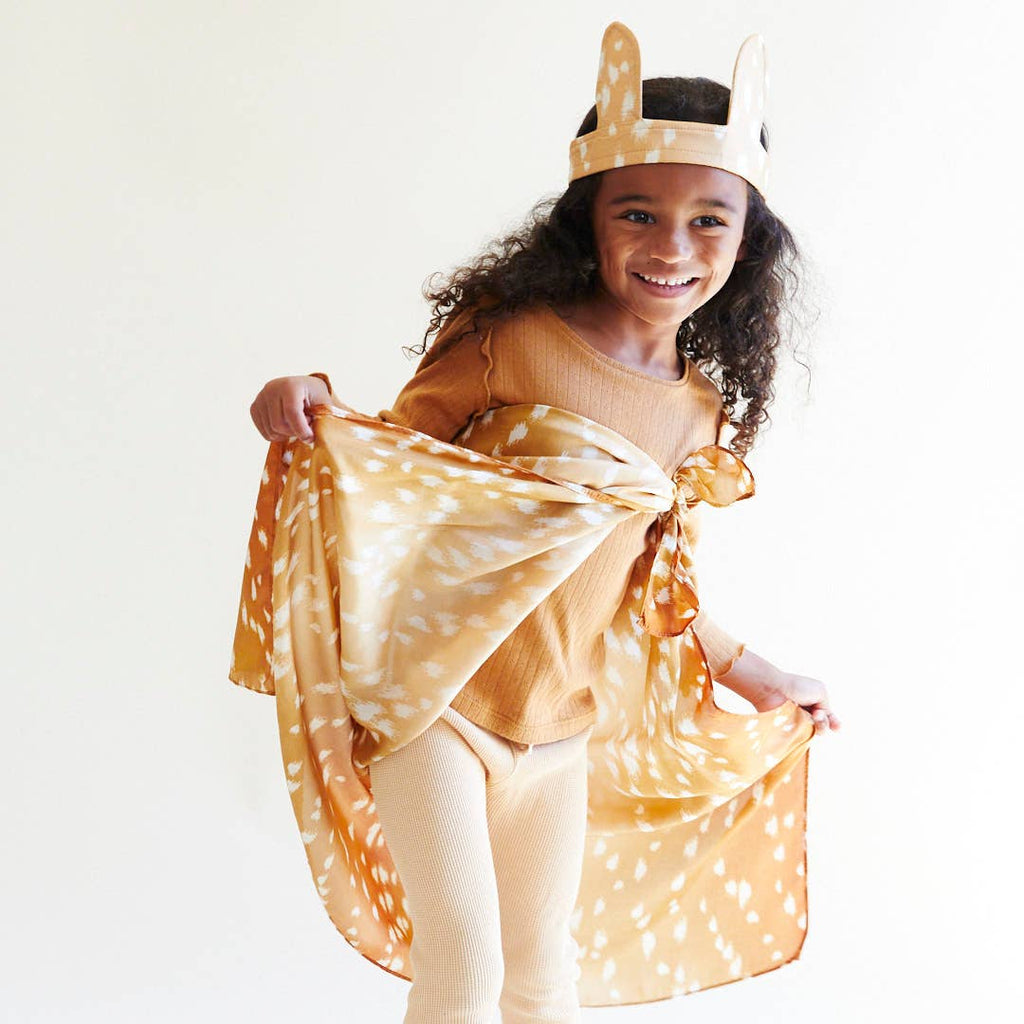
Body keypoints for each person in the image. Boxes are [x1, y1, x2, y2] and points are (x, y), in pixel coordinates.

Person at [242, 21, 838, 1023]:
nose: (670, 247)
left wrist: (757, 674)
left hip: (559, 729)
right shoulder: (508, 340)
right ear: (587, 221)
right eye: (638, 213)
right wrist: (306, 398)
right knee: (463, 965)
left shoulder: (698, 413)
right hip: (436, 704)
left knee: (541, 976)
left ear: (748, 240)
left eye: (708, 221)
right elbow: (382, 470)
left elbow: (653, 589)